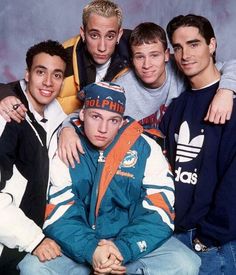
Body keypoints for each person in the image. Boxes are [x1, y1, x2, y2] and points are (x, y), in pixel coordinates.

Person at [19, 82, 201, 275]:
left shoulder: (145, 148)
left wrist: (122, 249)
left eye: (113, 120)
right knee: (32, 268)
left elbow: (160, 209)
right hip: (81, 242)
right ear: (82, 115)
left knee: (186, 264)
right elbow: (58, 212)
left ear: (122, 122)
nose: (103, 128)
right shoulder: (66, 145)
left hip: (128, 241)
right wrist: (92, 250)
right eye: (95, 117)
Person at [58, 22, 236, 167]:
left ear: (167, 55)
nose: (147, 65)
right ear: (132, 60)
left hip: (181, 158)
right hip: (140, 163)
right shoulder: (121, 88)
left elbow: (226, 66)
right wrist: (67, 129)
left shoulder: (181, 66)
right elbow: (85, 112)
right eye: (139, 57)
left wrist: (226, 90)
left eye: (154, 55)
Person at [159, 14, 236, 274]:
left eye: (194, 44)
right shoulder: (176, 107)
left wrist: (210, 236)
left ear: (212, 45)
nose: (185, 55)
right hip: (175, 236)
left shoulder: (230, 104)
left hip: (215, 243)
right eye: (178, 47)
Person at [0, 40, 69, 274]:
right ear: (27, 74)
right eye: (41, 72)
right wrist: (34, 240)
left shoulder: (55, 119)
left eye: (57, 75)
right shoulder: (8, 117)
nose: (48, 82)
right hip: (9, 247)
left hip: (27, 245)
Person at [0, 0, 131, 118]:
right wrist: (5, 96)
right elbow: (24, 85)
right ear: (83, 33)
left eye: (110, 36)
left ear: (119, 34)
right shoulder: (64, 57)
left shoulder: (136, 49)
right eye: (94, 35)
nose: (102, 47)